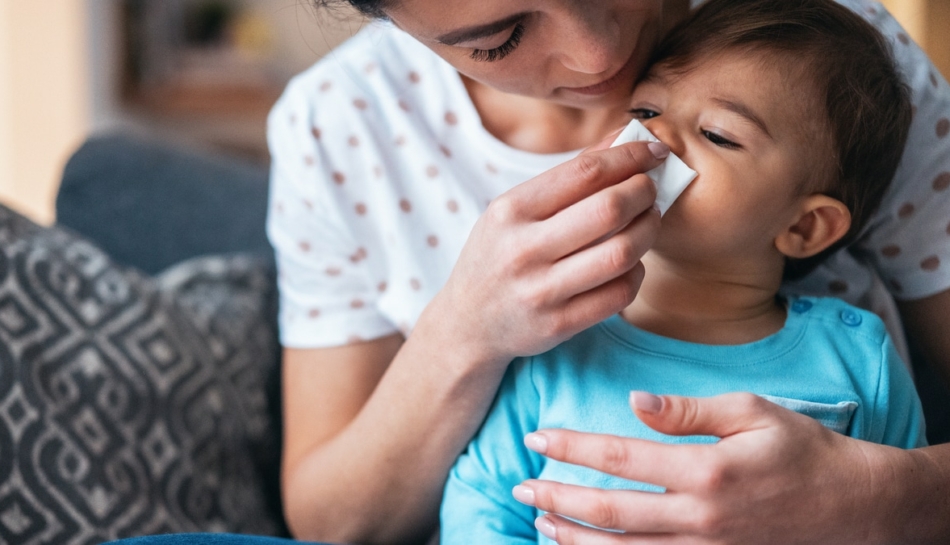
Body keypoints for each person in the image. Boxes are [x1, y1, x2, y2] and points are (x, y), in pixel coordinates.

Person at [107, 0, 950, 543]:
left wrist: (887, 498)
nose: (598, 60)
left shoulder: (833, 69)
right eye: (502, 36)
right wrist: (464, 330)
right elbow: (345, 519)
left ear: (810, 223)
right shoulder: (341, 129)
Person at [438, 0, 924, 541]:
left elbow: (901, 522)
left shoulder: (858, 359)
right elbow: (483, 499)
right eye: (645, 112)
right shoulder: (556, 344)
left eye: (717, 135)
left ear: (806, 228)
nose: (656, 140)